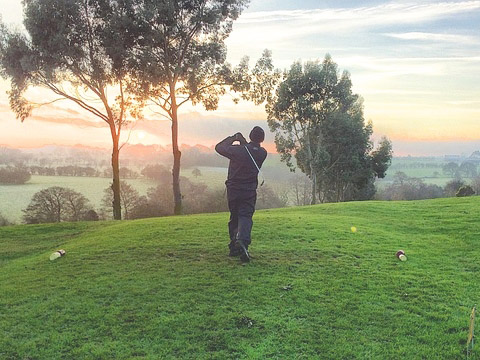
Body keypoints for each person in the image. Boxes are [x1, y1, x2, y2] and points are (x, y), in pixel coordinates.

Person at [215, 126, 267, 262]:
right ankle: (243, 241)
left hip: (233, 189)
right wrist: (244, 143)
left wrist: (234, 138)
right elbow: (250, 152)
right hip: (249, 190)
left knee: (235, 216)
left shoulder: (238, 151)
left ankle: (234, 246)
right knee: (245, 215)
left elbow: (219, 147)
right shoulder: (263, 153)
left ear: (250, 136)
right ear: (262, 139)